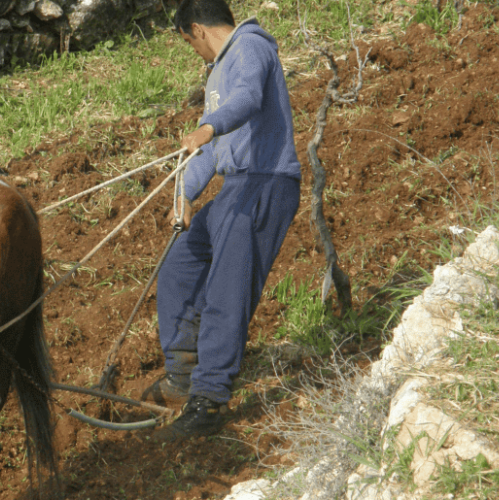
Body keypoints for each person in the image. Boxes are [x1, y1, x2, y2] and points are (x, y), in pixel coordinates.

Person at [141, 0, 302, 438]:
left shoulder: (251, 46)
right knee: (180, 263)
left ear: (195, 29)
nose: (194, 51)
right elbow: (208, 151)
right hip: (236, 187)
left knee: (225, 290)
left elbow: (248, 99)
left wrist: (208, 126)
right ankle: (183, 376)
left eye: (189, 43)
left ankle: (209, 401)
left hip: (266, 182)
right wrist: (185, 195)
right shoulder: (217, 73)